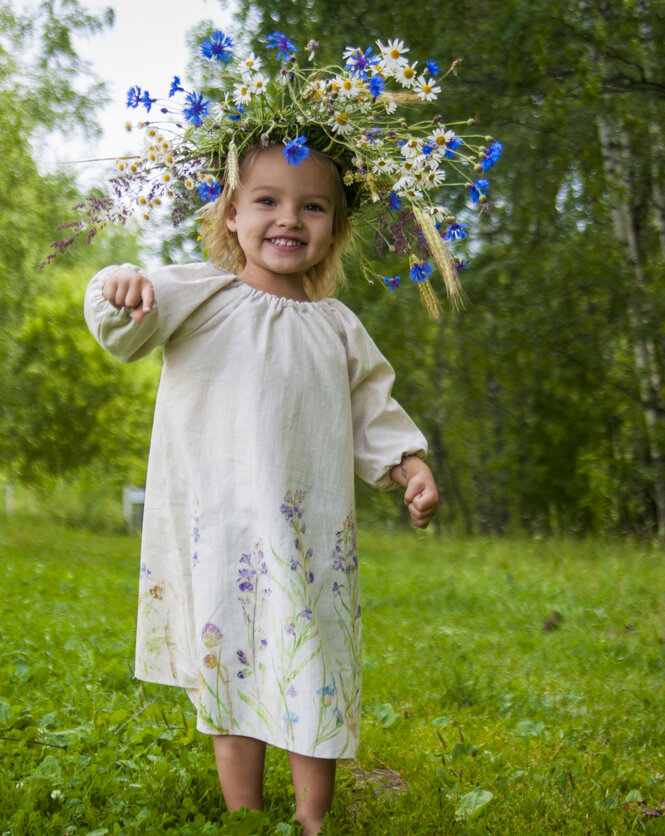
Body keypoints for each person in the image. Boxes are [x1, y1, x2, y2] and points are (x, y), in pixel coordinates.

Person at [85, 144, 438, 835]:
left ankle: (313, 820)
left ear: (335, 227)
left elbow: (375, 413)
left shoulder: (339, 327)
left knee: (316, 665)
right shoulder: (200, 296)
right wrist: (120, 281)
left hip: (310, 540)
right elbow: (122, 325)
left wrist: (411, 467)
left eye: (313, 206)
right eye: (268, 201)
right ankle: (244, 819)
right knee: (233, 672)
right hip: (223, 533)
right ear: (231, 212)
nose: (290, 219)